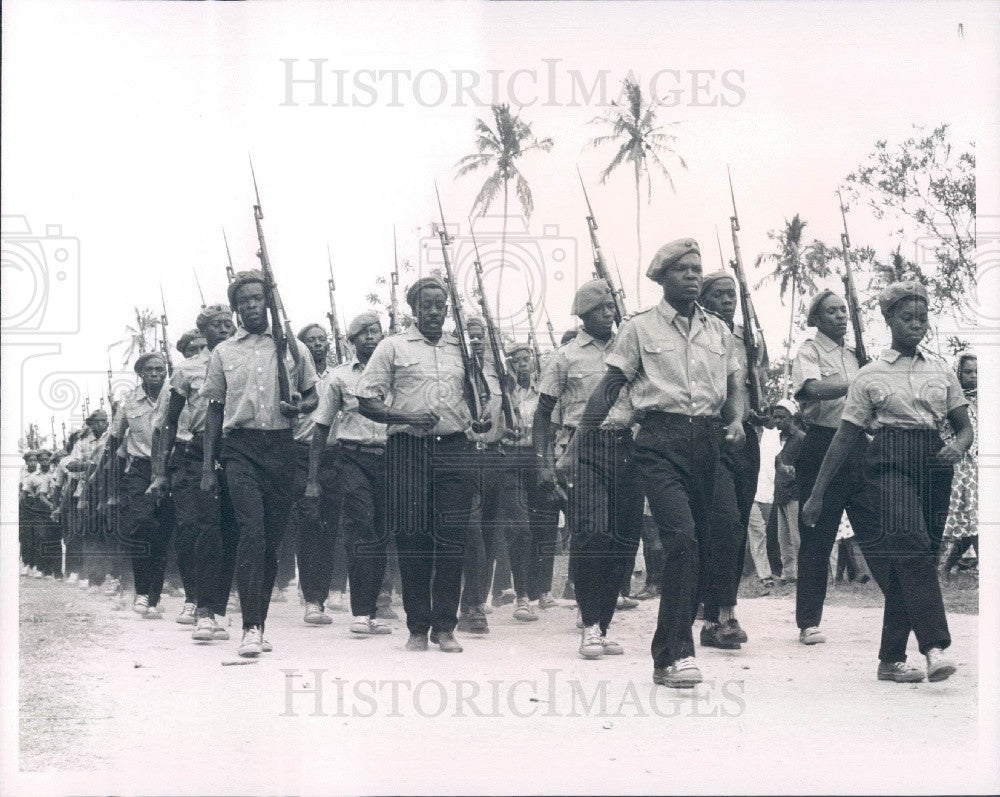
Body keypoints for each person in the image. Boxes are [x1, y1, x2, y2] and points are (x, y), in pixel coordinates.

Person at [572, 239, 745, 687]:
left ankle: (670, 653)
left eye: (697, 268)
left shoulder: (719, 332)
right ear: (662, 278)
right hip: (658, 441)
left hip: (709, 441)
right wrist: (578, 444)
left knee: (714, 538)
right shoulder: (639, 328)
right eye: (682, 269)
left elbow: (733, 383)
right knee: (682, 539)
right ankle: (675, 654)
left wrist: (738, 418)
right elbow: (609, 388)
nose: (692, 275)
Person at [802, 281, 972, 683]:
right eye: (906, 317)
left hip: (934, 462)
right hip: (888, 461)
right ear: (889, 319)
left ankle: (890, 658)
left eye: (922, 318)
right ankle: (934, 647)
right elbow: (844, 437)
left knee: (918, 558)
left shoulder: (943, 370)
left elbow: (964, 428)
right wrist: (817, 494)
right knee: (911, 546)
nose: (916, 324)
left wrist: (959, 447)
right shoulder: (869, 375)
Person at [356, 276, 484, 653]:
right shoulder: (392, 347)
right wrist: (405, 416)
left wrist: (480, 417)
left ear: (448, 309)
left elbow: (480, 399)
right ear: (413, 309)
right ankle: (417, 625)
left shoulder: (462, 349)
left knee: (452, 536)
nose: (433, 311)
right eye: (426, 305)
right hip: (407, 450)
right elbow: (366, 399)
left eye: (440, 305)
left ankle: (445, 626)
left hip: (455, 448)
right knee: (412, 537)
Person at [201, 270, 318, 658]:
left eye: (257, 298)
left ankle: (259, 623)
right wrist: (207, 466)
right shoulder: (223, 352)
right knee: (251, 531)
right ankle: (250, 628)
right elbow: (214, 411)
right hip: (240, 448)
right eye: (244, 300)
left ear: (268, 301)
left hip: (281, 447)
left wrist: (299, 404)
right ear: (236, 309)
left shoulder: (292, 348)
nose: (251, 305)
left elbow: (314, 398)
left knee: (269, 540)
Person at [535, 279, 642, 659]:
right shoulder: (565, 357)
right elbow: (543, 413)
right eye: (600, 309)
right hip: (583, 449)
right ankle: (591, 624)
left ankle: (604, 623)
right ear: (583, 315)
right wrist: (545, 463)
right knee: (592, 533)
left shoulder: (632, 347)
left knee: (624, 540)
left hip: (627, 446)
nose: (609, 314)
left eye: (612, 307)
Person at [148, 303, 238, 642]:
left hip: (238, 449)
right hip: (197, 451)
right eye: (216, 325)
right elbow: (167, 423)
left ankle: (217, 608)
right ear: (204, 331)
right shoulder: (188, 371)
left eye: (228, 324)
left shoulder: (242, 360)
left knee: (231, 532)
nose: (224, 329)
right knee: (201, 529)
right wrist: (159, 473)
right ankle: (199, 606)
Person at [305, 311, 391, 634]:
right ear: (351, 341)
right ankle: (360, 611)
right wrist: (313, 479)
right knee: (361, 526)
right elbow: (321, 428)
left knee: (381, 531)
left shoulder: (394, 373)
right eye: (363, 332)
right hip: (352, 457)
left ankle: (374, 609)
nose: (370, 337)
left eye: (375, 331)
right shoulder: (339, 377)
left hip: (389, 457)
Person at [791, 290, 865, 645]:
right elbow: (813, 389)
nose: (840, 316)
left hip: (858, 445)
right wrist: (858, 381)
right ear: (816, 318)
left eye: (844, 310)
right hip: (822, 443)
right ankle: (808, 621)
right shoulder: (810, 350)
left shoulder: (854, 354)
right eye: (832, 311)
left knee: (876, 527)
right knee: (817, 536)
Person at [696, 270, 764, 648]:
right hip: (711, 433)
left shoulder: (748, 338)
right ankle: (713, 612)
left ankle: (725, 609)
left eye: (732, 294)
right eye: (719, 294)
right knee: (721, 523)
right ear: (704, 299)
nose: (728, 300)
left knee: (734, 528)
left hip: (745, 435)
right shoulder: (701, 333)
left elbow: (755, 382)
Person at [458, 316, 520, 634]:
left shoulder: (497, 375)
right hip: (463, 455)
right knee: (468, 531)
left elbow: (509, 413)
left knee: (488, 532)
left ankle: (475, 602)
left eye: (481, 337)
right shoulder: (455, 372)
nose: (476, 342)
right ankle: (468, 604)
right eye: (470, 337)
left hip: (494, 456)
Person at [102, 352, 174, 618]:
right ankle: (142, 592)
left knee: (164, 534)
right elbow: (115, 438)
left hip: (171, 467)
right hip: (140, 469)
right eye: (150, 370)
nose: (156, 374)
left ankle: (154, 596)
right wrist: (111, 481)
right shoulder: (129, 401)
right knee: (142, 529)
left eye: (160, 369)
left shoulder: (176, 395)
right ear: (141, 374)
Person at [507, 343, 562, 617]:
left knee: (546, 525)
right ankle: (522, 594)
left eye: (526, 359)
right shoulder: (507, 395)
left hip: (541, 458)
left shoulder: (545, 393)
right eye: (516, 361)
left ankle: (544, 590)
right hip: (513, 460)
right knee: (521, 527)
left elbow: (553, 427)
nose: (522, 365)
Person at [941, 353, 978, 577]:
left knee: (973, 520)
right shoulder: (952, 401)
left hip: (980, 466)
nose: (973, 377)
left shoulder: (985, 399)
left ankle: (944, 568)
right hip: (961, 467)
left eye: (976, 372)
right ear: (958, 374)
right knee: (969, 518)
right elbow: (945, 433)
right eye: (968, 372)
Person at [772, 399, 803, 585]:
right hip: (781, 491)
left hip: (795, 492)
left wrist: (788, 470)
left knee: (796, 536)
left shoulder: (800, 438)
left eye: (781, 417)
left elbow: (805, 467)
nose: (776, 420)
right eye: (775, 417)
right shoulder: (779, 438)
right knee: (783, 538)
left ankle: (803, 572)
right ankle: (789, 573)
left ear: (791, 418)